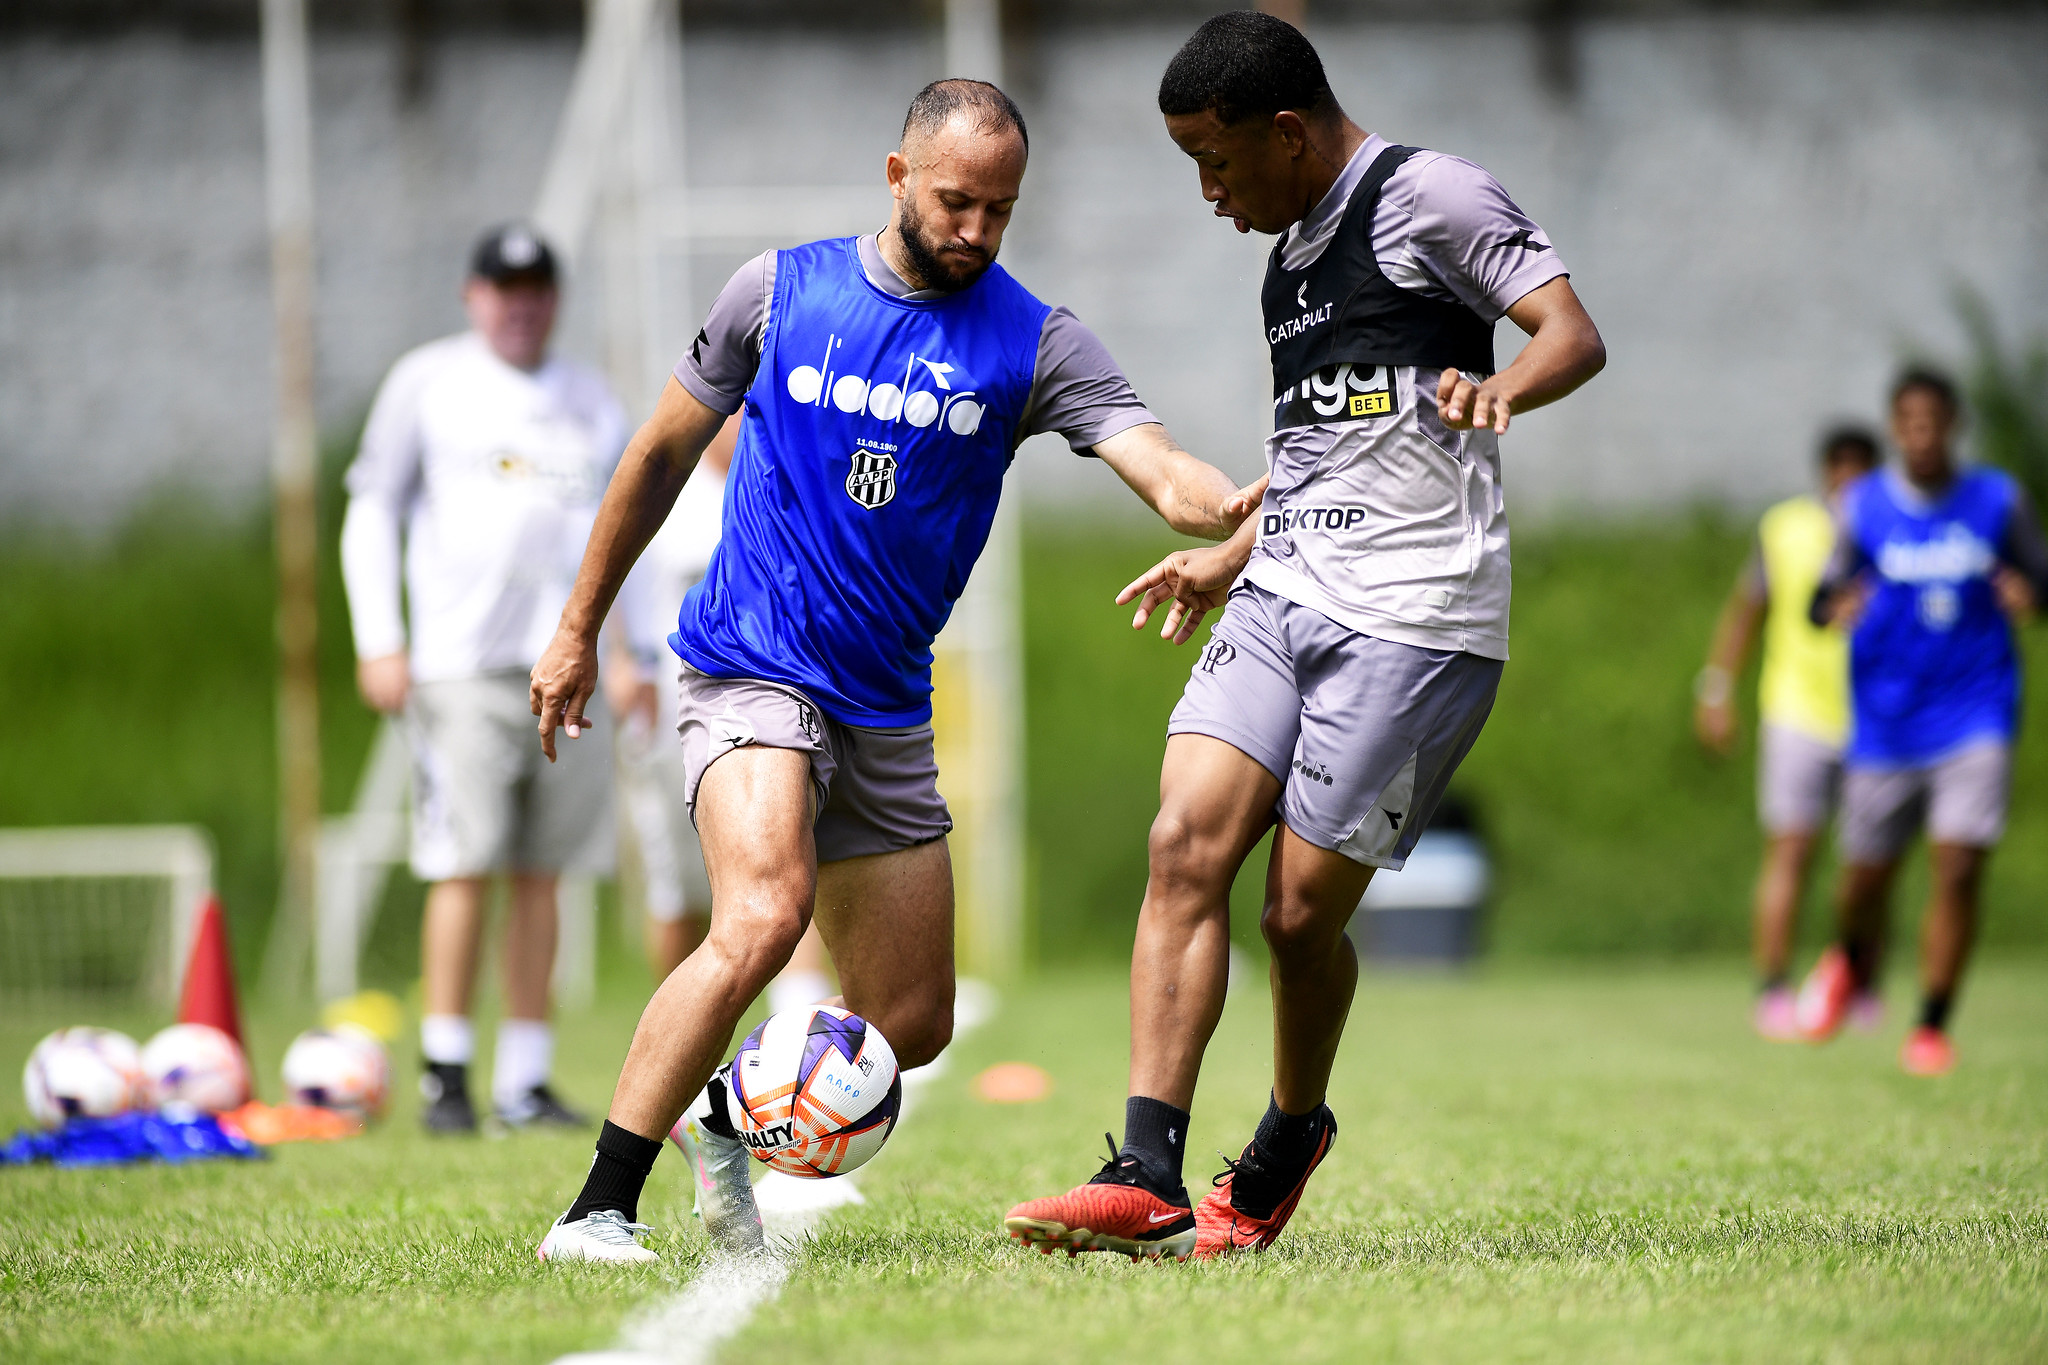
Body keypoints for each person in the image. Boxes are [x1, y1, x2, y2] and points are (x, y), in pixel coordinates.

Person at [528, 78, 1262, 1265]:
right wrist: (575, 627)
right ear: (895, 176)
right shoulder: (775, 292)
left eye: (1000, 211)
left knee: (910, 1025)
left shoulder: (1034, 339)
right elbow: (660, 451)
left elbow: (1157, 464)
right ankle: (597, 1208)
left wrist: (1216, 502)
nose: (974, 231)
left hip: (883, 704)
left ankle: (720, 1110)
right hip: (750, 665)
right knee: (762, 913)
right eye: (954, 201)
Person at [1004, 11, 1606, 1262]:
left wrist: (1503, 388)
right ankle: (1144, 1168)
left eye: (1212, 163)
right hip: (1283, 592)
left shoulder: (1430, 198)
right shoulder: (1284, 265)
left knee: (1294, 919)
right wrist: (1228, 556)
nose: (1208, 194)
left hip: (1416, 620)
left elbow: (1570, 334)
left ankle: (1288, 1132)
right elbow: (1325, 448)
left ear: (1286, 132)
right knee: (1182, 842)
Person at [340, 224, 623, 1134]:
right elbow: (371, 511)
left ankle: (525, 1078)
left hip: (569, 668)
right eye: (504, 288)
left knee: (546, 870)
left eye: (537, 287)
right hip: (461, 664)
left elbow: (627, 532)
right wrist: (381, 636)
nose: (521, 304)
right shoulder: (428, 383)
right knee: (463, 861)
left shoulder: (589, 398)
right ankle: (446, 1071)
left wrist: (642, 650)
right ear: (473, 295)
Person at [1795, 368, 2047, 1075]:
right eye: (1909, 423)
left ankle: (1932, 1023)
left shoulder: (1997, 500)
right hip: (1885, 719)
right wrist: (1833, 608)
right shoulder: (1863, 506)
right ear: (1895, 428)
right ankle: (1848, 955)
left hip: (1976, 708)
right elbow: (1819, 600)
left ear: (1953, 426)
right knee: (1863, 883)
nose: (1922, 435)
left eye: (1933, 422)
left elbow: (2041, 578)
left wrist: (2029, 591)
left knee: (1959, 863)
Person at [606, 411, 838, 1010]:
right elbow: (615, 582)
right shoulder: (665, 489)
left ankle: (801, 1036)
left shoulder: (789, 485)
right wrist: (621, 663)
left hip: (772, 710)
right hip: (672, 718)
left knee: (789, 860)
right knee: (680, 892)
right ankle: (683, 1048)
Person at [1694, 428, 1879, 1039]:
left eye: (1862, 472)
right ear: (1826, 472)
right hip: (1798, 710)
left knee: (1867, 866)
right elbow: (1746, 611)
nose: (1850, 484)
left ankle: (1859, 985)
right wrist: (1717, 689)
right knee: (1791, 851)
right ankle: (1772, 987)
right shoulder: (1786, 529)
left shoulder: (1891, 529)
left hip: (1876, 715)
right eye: (1842, 471)